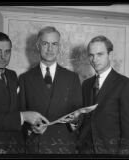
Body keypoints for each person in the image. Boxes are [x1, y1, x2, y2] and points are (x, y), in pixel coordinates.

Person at [19, 26, 83, 154]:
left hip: (63, 147)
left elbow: (79, 113)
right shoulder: (25, 78)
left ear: (59, 47)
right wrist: (31, 127)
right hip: (36, 148)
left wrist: (75, 120)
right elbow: (20, 114)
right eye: (45, 44)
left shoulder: (72, 78)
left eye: (54, 44)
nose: (50, 49)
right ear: (38, 46)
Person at [76, 35, 129, 155]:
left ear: (110, 55)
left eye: (100, 54)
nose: (94, 59)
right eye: (91, 55)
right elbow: (85, 120)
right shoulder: (86, 84)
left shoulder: (126, 85)